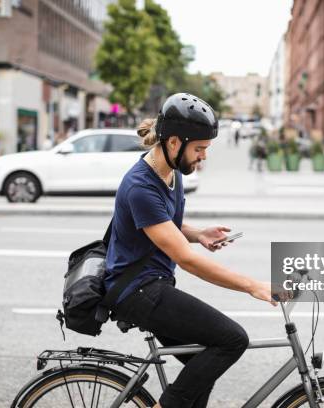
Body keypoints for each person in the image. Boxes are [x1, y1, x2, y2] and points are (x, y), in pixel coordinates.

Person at [104, 93, 274, 408]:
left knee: (202, 372)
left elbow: (161, 223)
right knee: (233, 339)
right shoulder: (141, 186)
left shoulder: (169, 171)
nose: (203, 157)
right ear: (173, 143)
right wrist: (253, 285)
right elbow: (186, 260)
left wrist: (198, 234)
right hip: (136, 290)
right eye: (199, 149)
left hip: (152, 284)